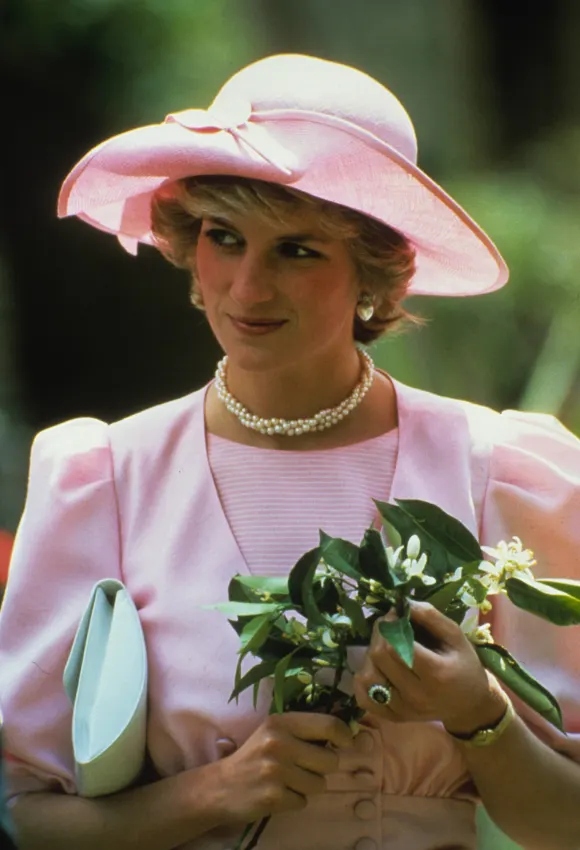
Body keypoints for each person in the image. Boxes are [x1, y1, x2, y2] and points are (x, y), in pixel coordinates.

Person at [0, 53, 579, 850]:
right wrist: (213, 791)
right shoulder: (104, 477)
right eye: (224, 238)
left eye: (297, 250)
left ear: (373, 271)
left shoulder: (499, 469)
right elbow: (28, 818)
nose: (247, 287)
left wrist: (480, 713)